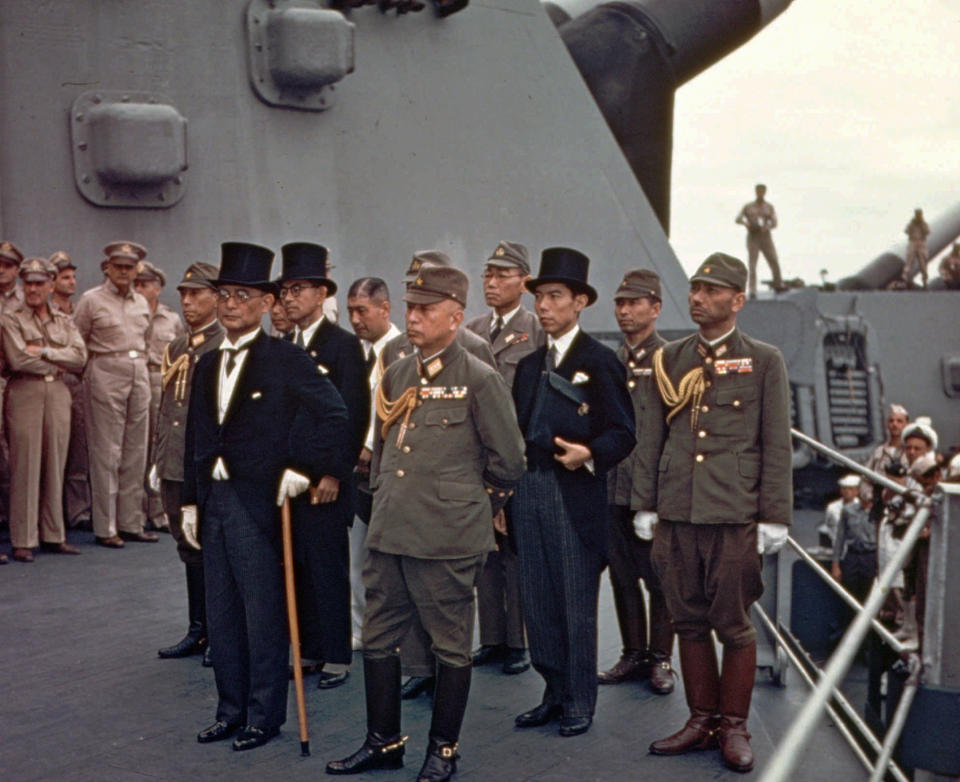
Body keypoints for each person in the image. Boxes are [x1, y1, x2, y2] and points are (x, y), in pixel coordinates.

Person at [327, 263, 526, 781]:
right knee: (377, 638)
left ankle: (443, 750)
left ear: (455, 317)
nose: (413, 318)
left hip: (446, 537)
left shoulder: (478, 379)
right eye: (410, 308)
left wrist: (468, 507)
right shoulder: (396, 373)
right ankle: (384, 741)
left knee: (450, 644)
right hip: (391, 529)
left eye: (425, 310)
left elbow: (509, 460)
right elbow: (389, 447)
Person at [181, 241, 351, 752]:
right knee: (223, 614)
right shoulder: (208, 363)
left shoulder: (286, 359)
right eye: (225, 295)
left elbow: (335, 415)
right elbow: (196, 433)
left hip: (258, 505)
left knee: (262, 615)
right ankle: (229, 710)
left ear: (265, 304)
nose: (230, 304)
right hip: (215, 502)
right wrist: (190, 500)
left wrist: (302, 467)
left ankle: (263, 715)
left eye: (242, 295)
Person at [644, 253, 792, 773]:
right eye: (696, 288)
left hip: (732, 513)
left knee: (733, 624)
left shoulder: (763, 360)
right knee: (686, 620)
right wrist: (647, 504)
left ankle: (734, 726)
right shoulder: (672, 359)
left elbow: (775, 443)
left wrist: (774, 516)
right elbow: (653, 438)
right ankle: (700, 719)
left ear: (737, 299)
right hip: (678, 510)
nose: (699, 297)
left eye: (712, 289)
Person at [511, 247, 635, 738]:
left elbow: (624, 433)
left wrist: (589, 454)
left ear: (579, 301)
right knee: (538, 601)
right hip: (530, 489)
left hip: (573, 495)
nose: (544, 305)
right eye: (540, 296)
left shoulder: (599, 361)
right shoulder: (527, 365)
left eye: (555, 296)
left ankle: (580, 700)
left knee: (574, 603)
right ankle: (553, 690)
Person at [380, 250, 497, 701]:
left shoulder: (474, 351)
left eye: (424, 300)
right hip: (406, 503)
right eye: (410, 296)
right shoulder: (395, 355)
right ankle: (417, 666)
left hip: (449, 508)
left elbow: (496, 443)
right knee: (400, 600)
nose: (413, 311)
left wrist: (478, 501)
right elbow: (388, 426)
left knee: (445, 609)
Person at [279, 241, 369, 690]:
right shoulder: (282, 346)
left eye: (299, 289)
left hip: (324, 480)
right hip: (288, 480)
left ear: (320, 294)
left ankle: (337, 655)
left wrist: (335, 472)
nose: (290, 298)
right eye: (286, 290)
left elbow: (354, 414)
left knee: (327, 564)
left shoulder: (342, 347)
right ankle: (310, 649)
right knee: (298, 565)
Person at [465, 240, 543, 676]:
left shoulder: (537, 330)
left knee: (515, 548)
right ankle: (492, 637)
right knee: (485, 550)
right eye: (488, 276)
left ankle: (519, 641)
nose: (492, 283)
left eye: (502, 276)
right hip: (477, 456)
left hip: (516, 455)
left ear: (524, 282)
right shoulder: (473, 329)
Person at [598, 268, 675, 694]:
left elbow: (676, 433)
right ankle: (633, 653)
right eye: (620, 304)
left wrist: (660, 500)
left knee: (659, 578)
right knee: (622, 575)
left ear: (656, 308)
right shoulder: (610, 361)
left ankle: (661, 659)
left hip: (650, 492)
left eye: (634, 303)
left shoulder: (670, 360)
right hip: (612, 486)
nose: (625, 311)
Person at [153, 262, 223, 665]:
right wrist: (158, 458)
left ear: (216, 297)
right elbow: (169, 408)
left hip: (202, 465)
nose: (188, 301)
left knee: (212, 548)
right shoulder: (179, 348)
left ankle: (219, 632)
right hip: (175, 463)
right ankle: (198, 629)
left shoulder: (220, 346)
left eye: (197, 293)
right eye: (183, 294)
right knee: (186, 546)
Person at [1, 257, 87, 562]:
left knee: (55, 462)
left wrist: (47, 351)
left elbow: (80, 358)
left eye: (39, 283)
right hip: (25, 390)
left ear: (51, 286)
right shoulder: (11, 318)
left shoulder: (63, 320)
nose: (33, 289)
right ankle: (23, 539)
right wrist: (58, 358)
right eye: (28, 283)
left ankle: (54, 534)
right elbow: (18, 359)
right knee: (25, 465)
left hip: (59, 392)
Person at [74, 241, 157, 547]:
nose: (123, 271)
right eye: (118, 266)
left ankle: (131, 522)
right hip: (105, 370)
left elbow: (145, 339)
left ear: (137, 269)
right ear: (107, 267)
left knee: (136, 451)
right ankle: (106, 527)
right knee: (106, 451)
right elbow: (78, 338)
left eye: (129, 266)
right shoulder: (91, 300)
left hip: (138, 371)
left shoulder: (140, 302)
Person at [346, 276, 401, 651]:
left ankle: (385, 632)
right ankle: (362, 627)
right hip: (361, 473)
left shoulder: (398, 352)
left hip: (385, 468)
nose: (354, 319)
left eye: (362, 311)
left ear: (384, 309)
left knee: (384, 560)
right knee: (361, 555)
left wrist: (367, 446)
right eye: (350, 311)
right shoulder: (362, 352)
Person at [136, 261, 185, 532]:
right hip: (136, 378)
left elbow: (181, 352)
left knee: (159, 445)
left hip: (162, 380)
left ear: (158, 287)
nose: (140, 289)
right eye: (137, 285)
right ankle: (134, 513)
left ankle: (159, 511)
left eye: (146, 284)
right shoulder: (132, 313)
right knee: (136, 450)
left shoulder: (171, 318)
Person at [49, 251, 91, 528]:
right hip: (54, 382)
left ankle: (78, 512)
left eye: (73, 277)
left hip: (78, 384)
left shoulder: (78, 311)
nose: (72, 282)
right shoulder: (45, 313)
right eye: (65, 277)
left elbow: (83, 350)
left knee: (78, 451)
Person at [735, 184, 782, 298]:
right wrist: (746, 223)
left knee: (773, 260)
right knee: (752, 264)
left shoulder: (769, 207)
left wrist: (767, 227)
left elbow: (775, 223)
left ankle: (778, 284)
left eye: (762, 191)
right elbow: (738, 219)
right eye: (758, 191)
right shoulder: (748, 207)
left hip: (765, 236)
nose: (760, 193)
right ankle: (752, 290)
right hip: (753, 236)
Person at [864, 404, 909, 523]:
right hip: (880, 506)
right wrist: (869, 498)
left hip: (904, 508)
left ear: (906, 424)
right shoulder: (879, 451)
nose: (895, 424)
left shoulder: (910, 451)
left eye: (899, 421)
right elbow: (865, 478)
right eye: (891, 421)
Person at [819, 474, 861, 550]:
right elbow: (828, 524)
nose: (846, 491)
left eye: (850, 489)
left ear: (857, 491)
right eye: (844, 488)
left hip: (856, 549)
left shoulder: (862, 507)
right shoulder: (832, 507)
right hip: (837, 547)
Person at [902, 208, 931, 288]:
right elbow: (906, 231)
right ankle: (905, 278)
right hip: (913, 242)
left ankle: (924, 281)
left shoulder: (923, 223)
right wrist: (913, 224)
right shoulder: (911, 223)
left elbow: (927, 232)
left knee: (923, 263)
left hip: (921, 243)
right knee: (909, 261)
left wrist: (922, 225)